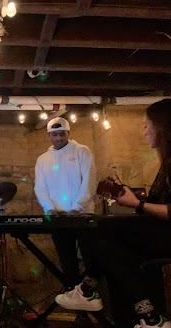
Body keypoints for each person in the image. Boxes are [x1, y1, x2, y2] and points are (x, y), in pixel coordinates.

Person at [55, 99, 171, 328]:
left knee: (97, 227)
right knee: (107, 248)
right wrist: (133, 200)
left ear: (163, 127)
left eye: (146, 125)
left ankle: (86, 289)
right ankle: (153, 319)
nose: (144, 132)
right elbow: (163, 205)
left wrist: (138, 205)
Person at [34, 117, 98, 295]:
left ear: (68, 133)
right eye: (55, 134)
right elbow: (40, 188)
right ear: (49, 135)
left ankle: (89, 296)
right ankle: (74, 298)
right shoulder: (42, 160)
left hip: (83, 215)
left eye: (62, 134)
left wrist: (78, 206)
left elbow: (89, 181)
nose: (59, 138)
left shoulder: (82, 151)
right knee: (67, 262)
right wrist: (49, 208)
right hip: (59, 217)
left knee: (90, 260)